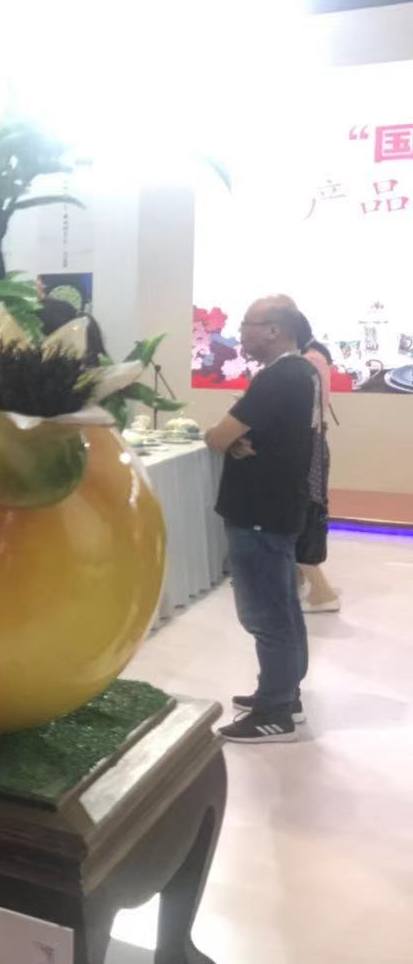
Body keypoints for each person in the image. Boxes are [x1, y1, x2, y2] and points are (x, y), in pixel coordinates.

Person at [205, 296, 319, 743]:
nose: (240, 333)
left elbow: (219, 435)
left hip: (259, 512)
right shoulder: (299, 372)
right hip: (276, 508)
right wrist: (237, 440)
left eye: (247, 324)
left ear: (274, 330)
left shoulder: (279, 377)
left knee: (267, 614)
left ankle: (276, 712)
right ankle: (284, 695)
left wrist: (226, 439)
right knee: (283, 607)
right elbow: (245, 436)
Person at [290, 311, 339, 613]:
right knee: (306, 509)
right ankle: (298, 581)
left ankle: (322, 593)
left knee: (305, 511)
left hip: (308, 446)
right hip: (313, 442)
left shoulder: (308, 361)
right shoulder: (316, 357)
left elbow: (305, 412)